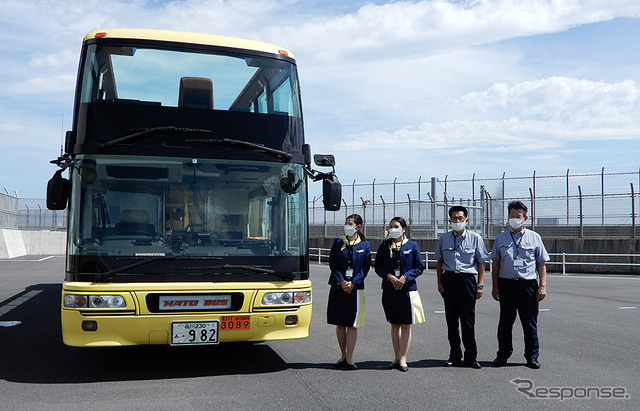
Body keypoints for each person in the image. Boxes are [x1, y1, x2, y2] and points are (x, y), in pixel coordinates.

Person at [490, 200, 549, 369]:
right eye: (512, 216)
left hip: (528, 285)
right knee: (505, 323)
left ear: (525, 218)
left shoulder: (534, 237)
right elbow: (495, 264)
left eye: (518, 216)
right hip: (506, 285)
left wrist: (542, 285)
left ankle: (532, 356)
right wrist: (495, 287)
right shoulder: (501, 238)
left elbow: (541, 264)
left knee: (529, 323)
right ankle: (503, 355)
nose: (515, 219)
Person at [435, 205, 489, 369]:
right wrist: (439, 283)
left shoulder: (475, 238)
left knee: (468, 321)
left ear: (466, 220)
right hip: (449, 279)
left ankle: (471, 357)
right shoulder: (444, 238)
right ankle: (454, 355)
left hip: (467, 280)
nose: (457, 221)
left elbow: (481, 263)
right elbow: (439, 261)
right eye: (454, 218)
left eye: (460, 218)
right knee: (451, 321)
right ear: (449, 220)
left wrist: (480, 285)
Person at [375, 217, 425, 372]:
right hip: (390, 290)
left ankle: (403, 357)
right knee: (394, 324)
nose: (392, 229)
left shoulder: (412, 245)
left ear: (404, 229)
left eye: (396, 226)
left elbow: (419, 267)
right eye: (390, 226)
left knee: (405, 324)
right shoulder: (384, 246)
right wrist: (389, 276)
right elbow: (378, 267)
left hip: (407, 290)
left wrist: (406, 277)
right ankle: (396, 356)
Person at [327, 214, 371, 370]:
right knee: (340, 324)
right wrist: (341, 281)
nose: (347, 226)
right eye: (346, 223)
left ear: (358, 227)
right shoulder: (338, 242)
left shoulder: (365, 245)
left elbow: (365, 268)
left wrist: (353, 283)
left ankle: (350, 357)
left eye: (350, 224)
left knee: (352, 324)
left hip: (355, 289)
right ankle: (343, 354)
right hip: (338, 286)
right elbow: (332, 263)